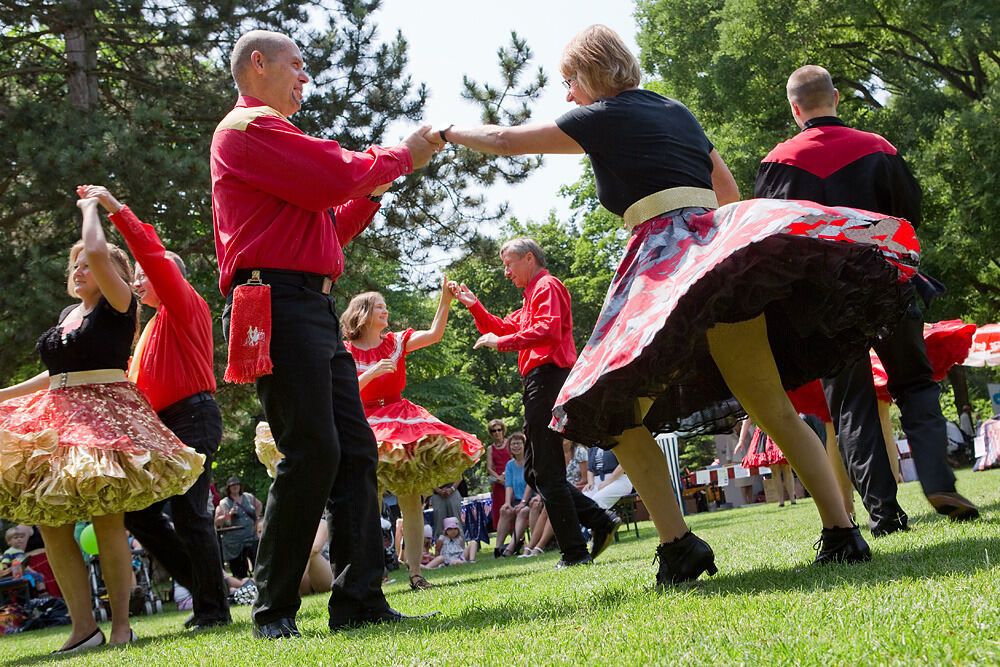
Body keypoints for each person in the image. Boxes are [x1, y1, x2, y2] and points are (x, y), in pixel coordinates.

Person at [432, 25, 920, 587]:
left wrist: (447, 132)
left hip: (660, 261)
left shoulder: (602, 116)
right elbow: (730, 192)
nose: (567, 95)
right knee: (772, 407)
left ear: (590, 74)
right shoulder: (678, 111)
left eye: (569, 81)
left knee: (602, 404)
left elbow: (505, 140)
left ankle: (679, 545)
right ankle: (842, 533)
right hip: (719, 251)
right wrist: (714, 250)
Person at [211, 29, 437, 637]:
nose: (306, 79)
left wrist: (375, 187)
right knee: (313, 450)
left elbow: (327, 230)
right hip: (278, 304)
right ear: (257, 65)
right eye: (297, 66)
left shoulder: (266, 141)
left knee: (355, 451)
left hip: (307, 305)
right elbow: (334, 175)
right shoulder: (246, 128)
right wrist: (398, 156)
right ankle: (273, 607)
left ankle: (358, 597)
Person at [755, 64, 979, 532]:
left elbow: (771, 241)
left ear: (795, 109)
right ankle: (938, 481)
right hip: (888, 285)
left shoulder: (777, 163)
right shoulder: (879, 149)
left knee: (851, 404)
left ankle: (884, 515)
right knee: (915, 384)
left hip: (824, 304)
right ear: (835, 97)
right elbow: (909, 215)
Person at [0, 195, 204, 651]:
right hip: (59, 417)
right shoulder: (66, 317)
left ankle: (120, 626)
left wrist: (91, 208)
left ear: (108, 272)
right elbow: (55, 375)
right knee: (49, 521)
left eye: (85, 264)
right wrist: (4, 396)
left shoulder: (119, 301)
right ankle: (82, 627)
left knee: (108, 521)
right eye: (73, 265)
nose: (78, 269)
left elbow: (96, 250)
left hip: (104, 418)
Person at [75, 184, 231, 630]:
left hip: (193, 416)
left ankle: (212, 610)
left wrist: (113, 208)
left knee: (188, 510)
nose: (138, 281)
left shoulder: (184, 305)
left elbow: (152, 254)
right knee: (141, 515)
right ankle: (209, 591)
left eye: (144, 275)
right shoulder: (147, 334)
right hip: (161, 427)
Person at [447, 237, 620, 569]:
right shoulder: (530, 297)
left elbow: (548, 330)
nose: (506, 271)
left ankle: (575, 551)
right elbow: (501, 327)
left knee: (547, 471)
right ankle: (598, 520)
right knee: (535, 471)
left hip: (549, 378)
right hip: (538, 382)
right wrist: (474, 306)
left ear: (529, 258)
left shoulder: (547, 286)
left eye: (509, 263)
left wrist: (503, 342)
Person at [340, 286, 482, 590]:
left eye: (385, 306)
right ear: (363, 314)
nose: (385, 311)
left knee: (411, 499)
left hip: (401, 420)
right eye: (379, 307)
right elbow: (343, 391)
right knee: (369, 500)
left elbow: (433, 334)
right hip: (364, 421)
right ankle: (370, 577)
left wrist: (445, 300)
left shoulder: (395, 342)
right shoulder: (345, 351)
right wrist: (374, 372)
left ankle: (416, 574)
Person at [736, 420, 796, 506]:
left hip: (779, 428)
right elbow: (747, 420)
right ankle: (781, 501)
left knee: (787, 467)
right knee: (774, 470)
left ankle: (792, 499)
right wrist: (741, 440)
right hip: (766, 434)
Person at [494, 433, 534, 557]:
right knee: (505, 511)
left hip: (531, 498)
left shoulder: (530, 461)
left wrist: (523, 502)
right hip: (517, 499)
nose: (516, 446)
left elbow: (530, 483)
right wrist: (507, 503)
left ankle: (512, 546)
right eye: (513, 444)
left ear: (524, 445)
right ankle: (498, 548)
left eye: (518, 443)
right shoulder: (510, 465)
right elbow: (509, 485)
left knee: (522, 512)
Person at [214, 477, 262, 579]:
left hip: (251, 536)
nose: (235, 487)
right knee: (239, 570)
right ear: (229, 488)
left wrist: (255, 521)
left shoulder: (248, 497)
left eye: (237, 484)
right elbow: (218, 522)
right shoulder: (224, 502)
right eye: (232, 485)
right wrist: (229, 514)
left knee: (258, 563)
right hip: (234, 542)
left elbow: (259, 505)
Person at [0, 525, 46, 594]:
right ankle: (40, 593)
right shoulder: (9, 552)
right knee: (34, 578)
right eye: (16, 538)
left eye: (21, 537)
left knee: (39, 576)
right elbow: (5, 562)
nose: (19, 539)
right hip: (15, 573)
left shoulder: (20, 552)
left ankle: (41, 593)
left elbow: (24, 565)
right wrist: (5, 568)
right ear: (9, 542)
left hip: (22, 571)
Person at [485, 419, 512, 530]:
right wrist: (499, 478)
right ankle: (510, 541)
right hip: (499, 483)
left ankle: (521, 540)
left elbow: (515, 460)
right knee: (502, 510)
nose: (497, 433)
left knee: (513, 508)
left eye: (499, 430)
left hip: (511, 479)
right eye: (493, 431)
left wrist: (505, 476)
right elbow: (489, 468)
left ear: (503, 430)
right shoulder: (490, 449)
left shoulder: (510, 443)